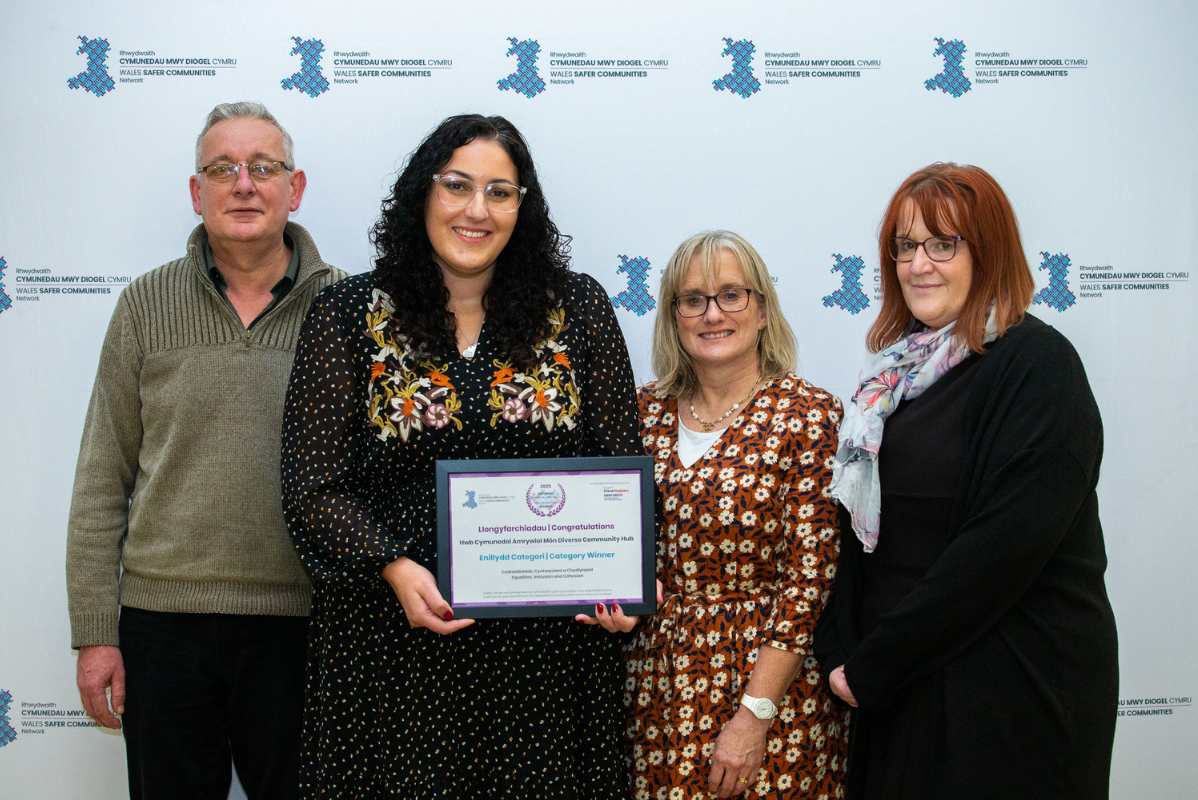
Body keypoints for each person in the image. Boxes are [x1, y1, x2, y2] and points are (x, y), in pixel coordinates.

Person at [280, 113, 640, 798]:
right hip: (390, 654)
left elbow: (620, 467)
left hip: (545, 665)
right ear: (423, 192)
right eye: (457, 185)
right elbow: (311, 486)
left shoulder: (579, 309)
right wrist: (392, 565)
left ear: (522, 208)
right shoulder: (347, 315)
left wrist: (622, 579)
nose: (477, 210)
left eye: (500, 192)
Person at [65, 101, 346, 799]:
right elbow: (102, 478)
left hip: (308, 628)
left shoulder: (348, 309)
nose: (243, 184)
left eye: (263, 167)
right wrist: (96, 633)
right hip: (163, 629)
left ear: (295, 187)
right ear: (197, 193)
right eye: (222, 169)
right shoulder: (144, 305)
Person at [815, 163, 1118, 799]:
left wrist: (875, 664)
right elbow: (867, 537)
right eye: (905, 246)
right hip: (902, 689)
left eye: (942, 244)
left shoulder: (1038, 365)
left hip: (1006, 697)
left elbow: (1000, 550)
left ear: (989, 252)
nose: (918, 264)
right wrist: (840, 646)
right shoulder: (894, 380)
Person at [624, 231, 848, 800]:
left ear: (763, 309)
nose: (712, 314)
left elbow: (809, 582)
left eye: (731, 295)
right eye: (692, 299)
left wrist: (755, 714)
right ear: (673, 317)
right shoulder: (641, 412)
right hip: (653, 689)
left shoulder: (808, 415)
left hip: (768, 697)